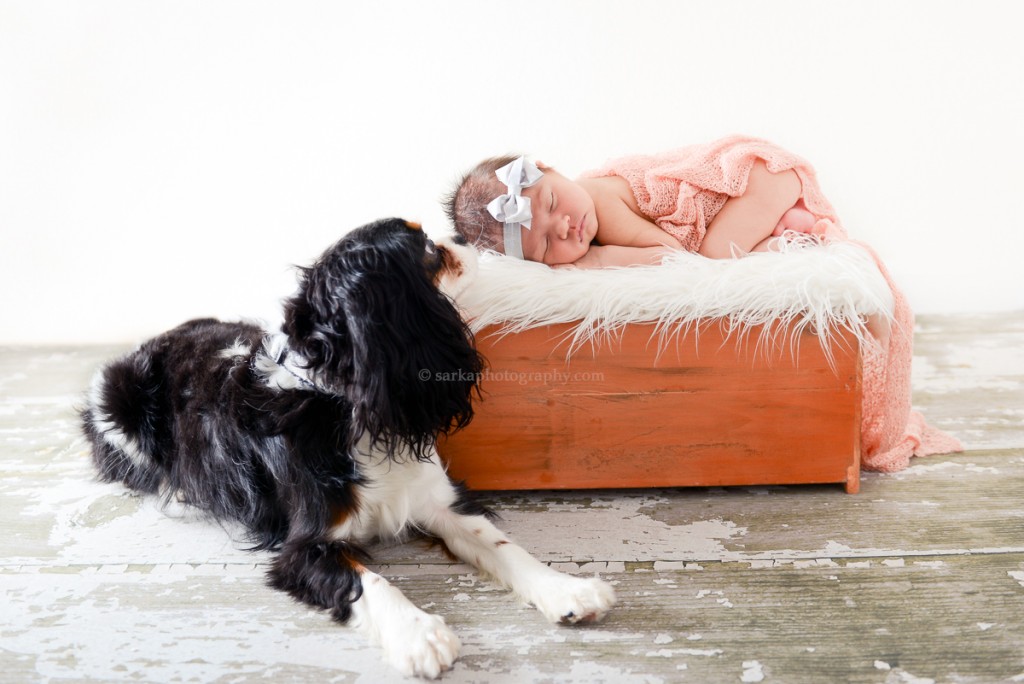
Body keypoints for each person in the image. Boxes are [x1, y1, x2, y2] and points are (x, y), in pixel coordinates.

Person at [444, 136, 841, 269]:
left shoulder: (602, 201)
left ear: (549, 168)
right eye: (547, 245)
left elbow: (671, 256)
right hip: (758, 187)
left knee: (716, 257)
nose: (564, 227)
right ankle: (784, 226)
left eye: (551, 204)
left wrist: (596, 261)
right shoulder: (580, 207)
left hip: (757, 175)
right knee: (724, 247)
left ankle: (797, 238)